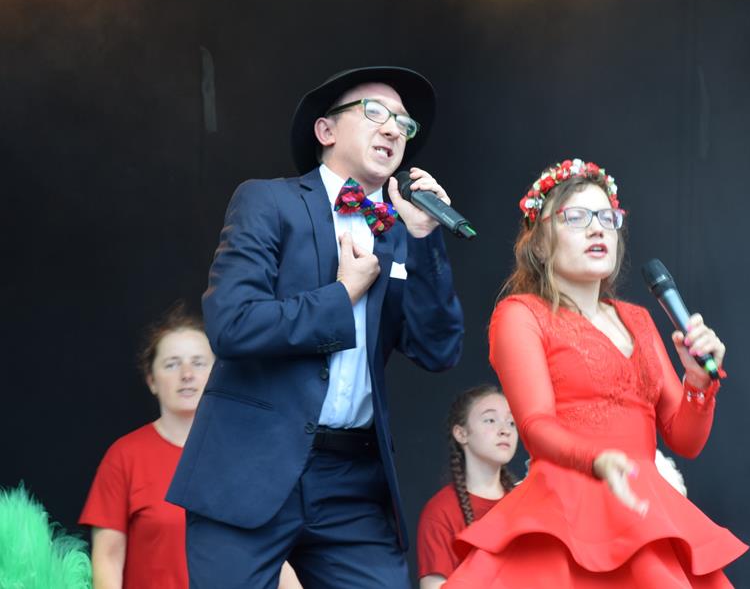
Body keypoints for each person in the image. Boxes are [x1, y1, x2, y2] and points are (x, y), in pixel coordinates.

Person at [167, 67, 464, 589]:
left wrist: (425, 239)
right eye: (375, 112)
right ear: (325, 130)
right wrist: (342, 295)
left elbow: (439, 349)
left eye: (404, 123)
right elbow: (232, 324)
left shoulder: (398, 232)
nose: (393, 129)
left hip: (353, 479)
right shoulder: (268, 201)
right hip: (250, 466)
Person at [445, 159, 748, 588]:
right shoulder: (521, 314)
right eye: (576, 217)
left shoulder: (639, 319)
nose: (597, 229)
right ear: (539, 243)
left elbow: (685, 441)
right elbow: (535, 426)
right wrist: (597, 460)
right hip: (565, 509)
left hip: (641, 508)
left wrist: (698, 384)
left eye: (608, 218)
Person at [79, 305, 215, 589]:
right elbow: (108, 558)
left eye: (199, 362)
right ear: (151, 380)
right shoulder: (125, 456)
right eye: (172, 364)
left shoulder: (243, 455)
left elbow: (271, 553)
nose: (187, 374)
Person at [417, 385, 519, 589]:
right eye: (490, 420)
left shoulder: (526, 502)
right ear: (461, 433)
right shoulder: (441, 511)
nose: (505, 430)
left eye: (511, 423)